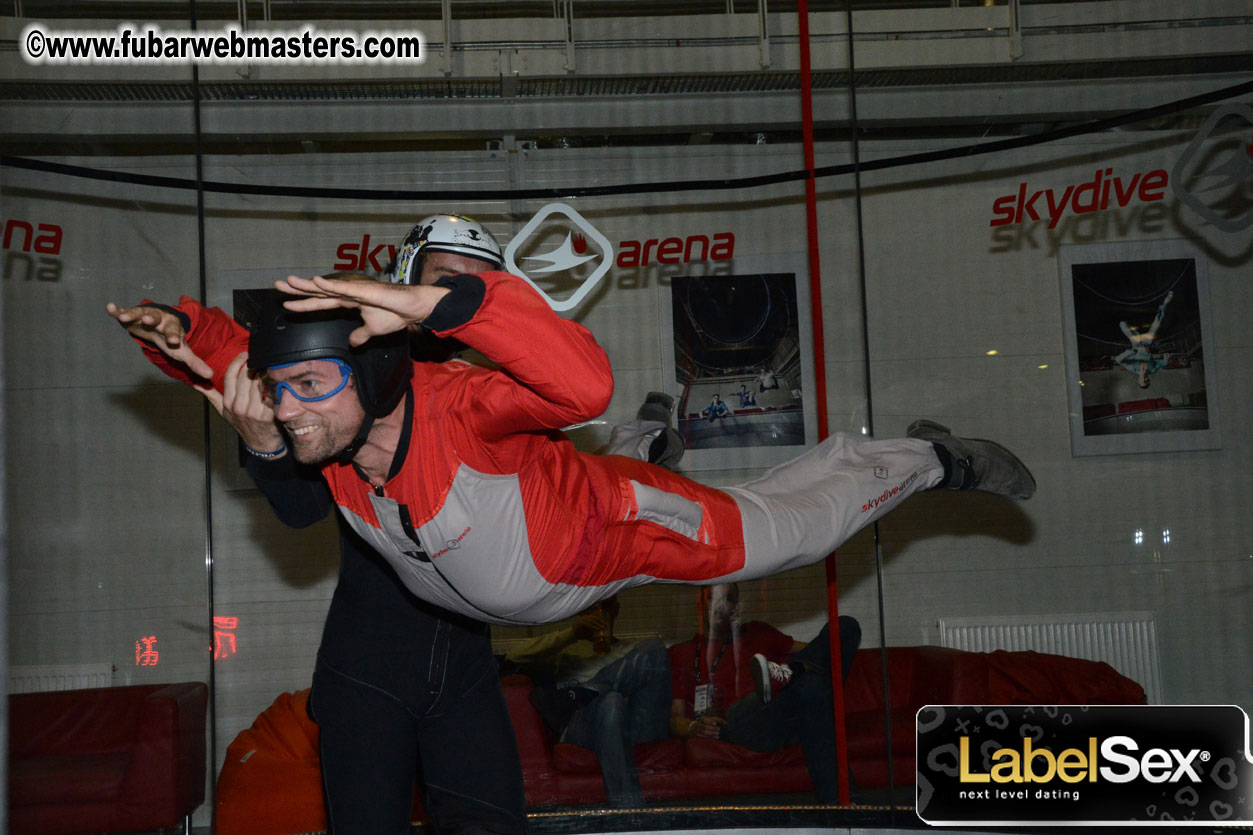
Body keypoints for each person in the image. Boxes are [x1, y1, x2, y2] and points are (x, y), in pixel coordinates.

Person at [107, 268, 1035, 626]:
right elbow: (259, 366)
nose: (291, 411)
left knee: (780, 531)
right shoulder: (321, 434)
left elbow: (575, 385)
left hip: (602, 533)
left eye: (311, 389)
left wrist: (452, 305)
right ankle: (649, 436)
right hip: (535, 545)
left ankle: (930, 461)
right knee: (593, 453)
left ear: (378, 376)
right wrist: (179, 328)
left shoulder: (453, 404)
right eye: (283, 394)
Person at [224, 216, 529, 835]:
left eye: (476, 287)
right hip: (366, 670)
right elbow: (305, 510)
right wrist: (263, 444)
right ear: (404, 282)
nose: (455, 298)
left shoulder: (490, 389)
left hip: (466, 666)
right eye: (444, 281)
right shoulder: (352, 364)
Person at [667, 583, 861, 804]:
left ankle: (845, 809)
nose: (720, 606)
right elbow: (674, 719)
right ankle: (846, 802)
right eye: (713, 598)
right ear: (700, 605)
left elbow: (822, 650)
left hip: (789, 717)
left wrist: (808, 666)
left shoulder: (758, 632)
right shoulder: (683, 652)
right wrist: (694, 727)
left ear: (736, 607)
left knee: (845, 628)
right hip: (740, 723)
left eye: (728, 599)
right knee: (810, 686)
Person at [504, 597, 671, 808]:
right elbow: (514, 657)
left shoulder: (632, 654)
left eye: (605, 606)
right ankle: (629, 815)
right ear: (580, 609)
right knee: (611, 701)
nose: (599, 613)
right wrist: (573, 632)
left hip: (632, 729)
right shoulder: (565, 655)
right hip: (582, 730)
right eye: (591, 606)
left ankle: (585, 691)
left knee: (654, 647)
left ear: (616, 610)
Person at [1114, 290, 1174, 389]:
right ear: (1149, 380)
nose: (1145, 379)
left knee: (1122, 325)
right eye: (1147, 381)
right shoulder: (1153, 369)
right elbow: (1164, 362)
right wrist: (1167, 358)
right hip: (1147, 343)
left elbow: (1118, 360)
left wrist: (1132, 352)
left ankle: (1126, 304)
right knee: (1157, 323)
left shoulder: (1132, 368)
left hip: (1136, 343)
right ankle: (1165, 302)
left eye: (1143, 381)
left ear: (1138, 380)